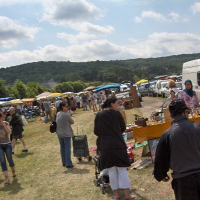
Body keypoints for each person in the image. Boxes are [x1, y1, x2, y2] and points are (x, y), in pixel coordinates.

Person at [154, 99, 200, 200]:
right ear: (185, 112)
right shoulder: (198, 127)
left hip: (183, 182)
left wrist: (161, 175)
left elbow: (160, 158)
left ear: (171, 116)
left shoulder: (167, 135)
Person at [94, 97, 135, 200]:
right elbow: (123, 128)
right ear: (111, 104)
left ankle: (116, 195)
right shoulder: (116, 114)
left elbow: (96, 131)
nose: (119, 105)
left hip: (105, 146)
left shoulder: (99, 115)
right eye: (117, 103)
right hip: (117, 144)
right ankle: (127, 195)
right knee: (122, 170)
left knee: (112, 170)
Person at [0, 112, 16, 186]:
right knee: (2, 162)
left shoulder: (6, 123)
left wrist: (3, 125)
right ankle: (6, 178)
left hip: (7, 145)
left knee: (10, 160)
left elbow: (10, 132)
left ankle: (13, 172)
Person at [56, 102, 74, 168]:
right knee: (67, 148)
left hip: (59, 133)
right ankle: (68, 163)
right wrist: (69, 114)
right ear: (62, 107)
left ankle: (64, 162)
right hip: (66, 133)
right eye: (66, 106)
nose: (67, 107)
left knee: (62, 147)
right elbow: (72, 122)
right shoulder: (66, 115)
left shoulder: (58, 114)